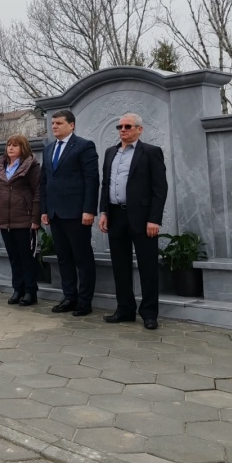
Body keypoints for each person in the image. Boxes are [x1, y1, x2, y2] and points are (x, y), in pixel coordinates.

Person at [99, 113, 168, 330]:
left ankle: (149, 313)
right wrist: (103, 212)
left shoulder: (150, 152)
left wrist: (154, 219)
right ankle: (125, 309)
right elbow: (105, 184)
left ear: (139, 129)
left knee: (147, 266)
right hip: (116, 216)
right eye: (120, 126)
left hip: (142, 218)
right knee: (120, 266)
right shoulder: (111, 153)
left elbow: (160, 188)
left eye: (128, 126)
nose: (123, 129)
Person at [40, 110, 100, 316]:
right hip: (55, 213)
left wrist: (89, 209)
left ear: (71, 125)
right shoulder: (48, 150)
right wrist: (44, 209)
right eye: (52, 123)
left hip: (77, 213)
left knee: (82, 258)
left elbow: (92, 180)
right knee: (63, 257)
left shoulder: (84, 146)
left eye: (58, 123)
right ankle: (69, 297)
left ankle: (85, 301)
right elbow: (44, 182)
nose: (54, 126)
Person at [0, 134, 42, 307]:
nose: (10, 148)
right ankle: (17, 289)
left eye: (15, 145)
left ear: (23, 148)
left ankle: (30, 291)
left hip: (24, 219)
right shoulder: (0, 167)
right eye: (9, 145)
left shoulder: (31, 165)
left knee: (27, 257)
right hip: (6, 221)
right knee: (13, 257)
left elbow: (38, 192)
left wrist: (35, 218)